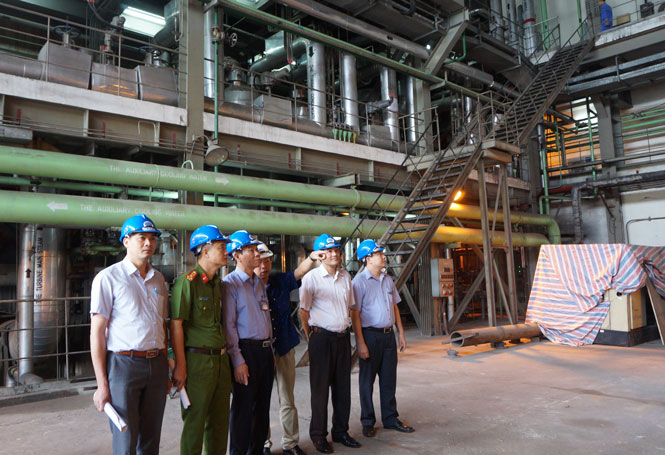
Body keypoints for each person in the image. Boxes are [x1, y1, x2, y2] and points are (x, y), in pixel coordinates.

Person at [90, 213, 169, 455]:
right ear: (126, 241)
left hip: (156, 364)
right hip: (124, 366)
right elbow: (97, 332)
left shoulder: (159, 280)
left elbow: (161, 324)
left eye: (152, 238)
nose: (148, 243)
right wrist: (102, 384)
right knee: (125, 442)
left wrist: (166, 365)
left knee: (151, 441)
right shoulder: (108, 278)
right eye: (141, 238)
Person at [256, 242, 324, 455]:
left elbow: (299, 272)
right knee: (261, 399)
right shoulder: (247, 288)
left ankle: (290, 443)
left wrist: (312, 258)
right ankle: (263, 443)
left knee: (287, 398)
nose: (263, 266)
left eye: (267, 261)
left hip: (284, 346)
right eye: (259, 262)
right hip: (260, 351)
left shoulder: (279, 281)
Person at [170, 225, 233, 455]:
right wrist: (180, 365)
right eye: (221, 247)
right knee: (194, 425)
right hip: (197, 363)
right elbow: (176, 324)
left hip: (220, 361)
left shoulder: (218, 284)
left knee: (219, 424)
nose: (226, 251)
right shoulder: (188, 282)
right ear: (205, 251)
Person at [299, 234, 361, 454]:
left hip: (343, 338)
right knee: (320, 391)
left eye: (336, 250)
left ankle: (341, 431)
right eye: (329, 251)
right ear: (320, 255)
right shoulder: (311, 278)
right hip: (321, 340)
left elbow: (351, 307)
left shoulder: (346, 277)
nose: (335, 254)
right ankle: (318, 436)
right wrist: (312, 338)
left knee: (343, 389)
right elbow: (304, 312)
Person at [350, 240, 414, 439]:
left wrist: (400, 333)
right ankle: (367, 421)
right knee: (366, 382)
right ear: (368, 258)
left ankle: (390, 418)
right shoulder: (359, 282)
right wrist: (360, 343)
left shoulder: (387, 280)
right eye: (379, 253)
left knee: (388, 380)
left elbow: (394, 307)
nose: (383, 256)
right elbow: (355, 315)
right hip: (370, 336)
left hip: (388, 337)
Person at [223, 230, 274, 455]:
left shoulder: (258, 283)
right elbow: (229, 326)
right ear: (237, 255)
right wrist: (237, 360)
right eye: (251, 250)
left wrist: (270, 349)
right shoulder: (230, 284)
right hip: (246, 352)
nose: (257, 254)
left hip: (264, 352)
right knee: (243, 410)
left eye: (256, 249)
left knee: (262, 409)